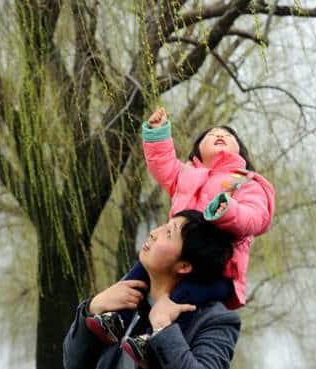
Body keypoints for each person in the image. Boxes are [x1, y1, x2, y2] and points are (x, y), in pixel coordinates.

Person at [86, 106, 275, 366]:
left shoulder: (245, 183)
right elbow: (163, 166)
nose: (219, 135)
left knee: (183, 302)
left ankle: (151, 340)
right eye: (210, 135)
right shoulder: (186, 176)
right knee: (132, 282)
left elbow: (256, 218)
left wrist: (226, 211)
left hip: (217, 270)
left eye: (227, 135)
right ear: (197, 150)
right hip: (171, 255)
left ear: (240, 151)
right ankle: (115, 322)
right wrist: (157, 134)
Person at [63, 210, 240, 369]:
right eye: (163, 226)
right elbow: (73, 363)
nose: (154, 233)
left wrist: (163, 327)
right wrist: (92, 308)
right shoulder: (127, 296)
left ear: (184, 266)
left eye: (169, 233)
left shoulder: (215, 320)